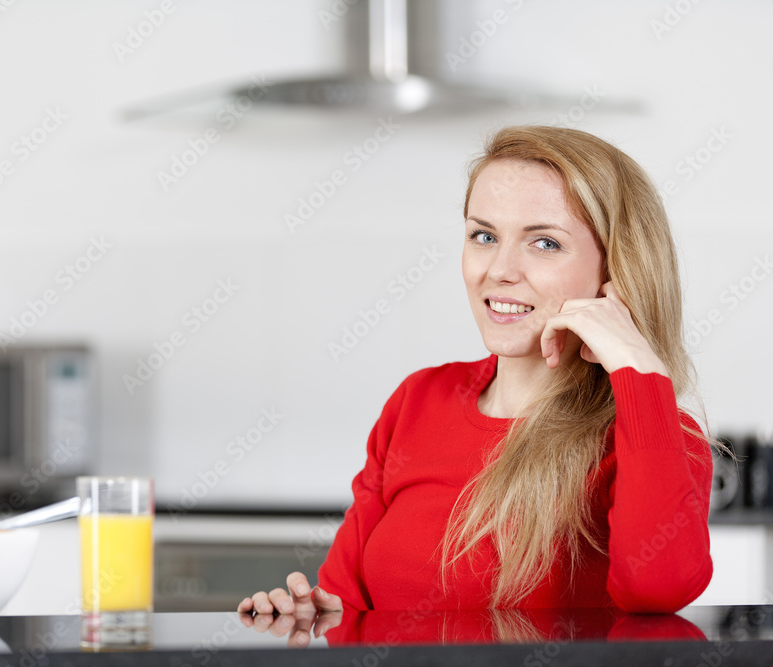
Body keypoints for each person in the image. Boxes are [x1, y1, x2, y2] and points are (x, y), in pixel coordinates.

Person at [238, 125, 715, 620]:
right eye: (483, 236)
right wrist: (309, 616)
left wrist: (639, 370)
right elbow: (347, 600)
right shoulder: (419, 399)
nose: (500, 269)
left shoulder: (657, 434)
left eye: (545, 243)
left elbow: (658, 590)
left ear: (616, 271)